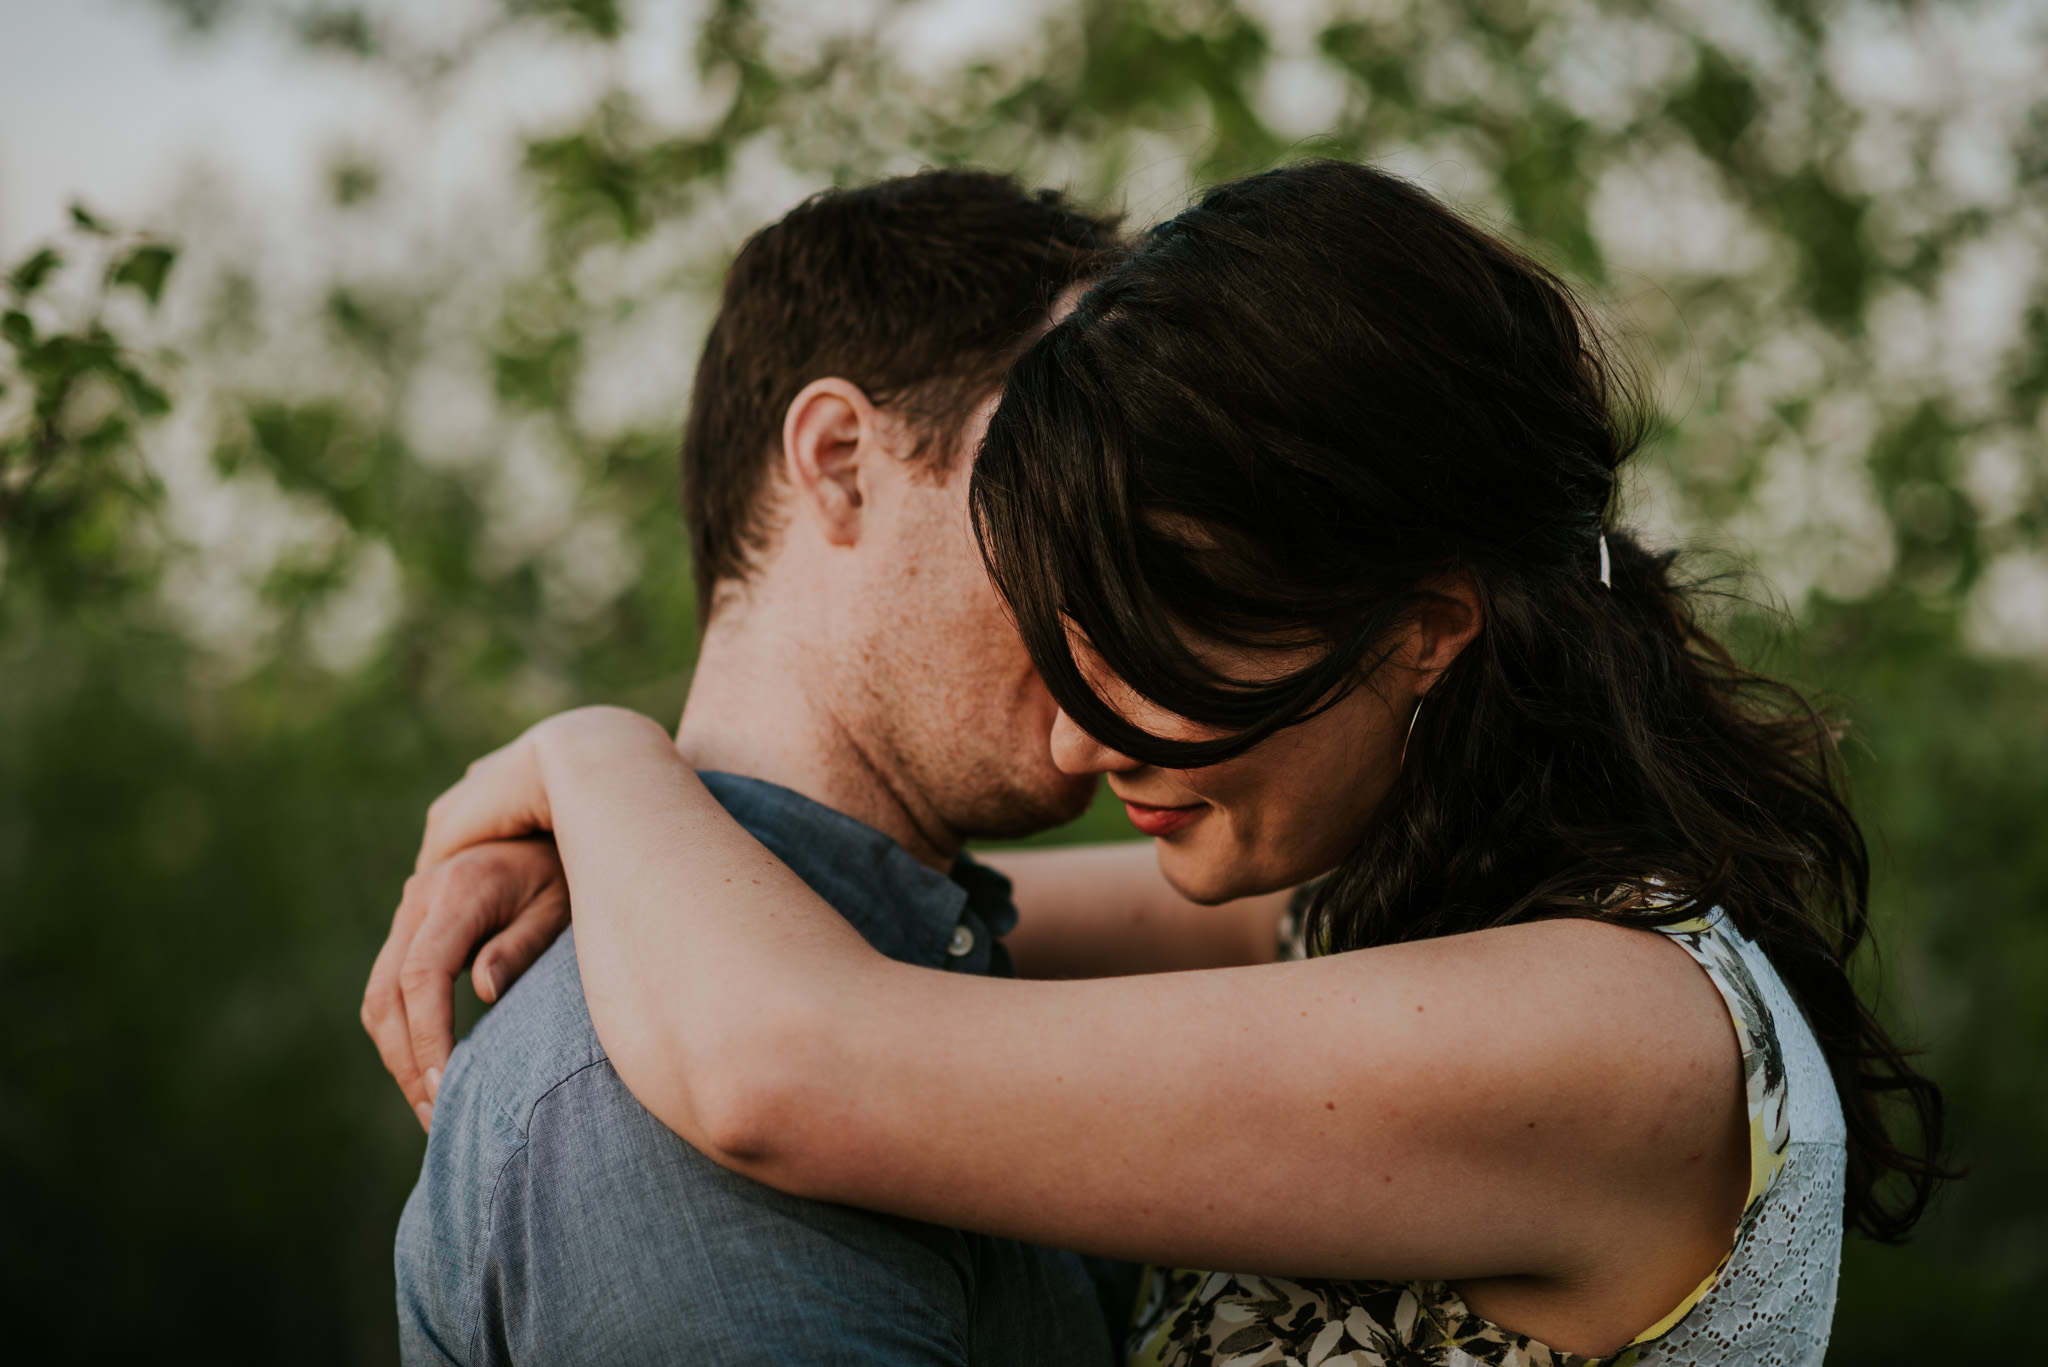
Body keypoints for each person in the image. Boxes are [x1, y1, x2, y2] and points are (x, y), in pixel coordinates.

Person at [378, 161, 1946, 1366]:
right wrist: (618, 844)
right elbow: (920, 922)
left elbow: (794, 1052)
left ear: (1425, 628)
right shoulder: (1393, 919)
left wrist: (591, 756)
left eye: (1157, 606)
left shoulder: (1602, 1031)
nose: (1091, 708)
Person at [366, 168, 1274, 1366]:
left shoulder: (921, 961)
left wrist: (592, 774)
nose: (1125, 585)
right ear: (841, 459)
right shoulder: (646, 1098)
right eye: (1062, 487)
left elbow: (1289, 913)